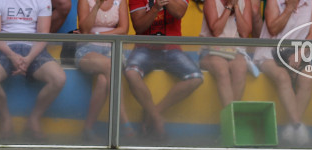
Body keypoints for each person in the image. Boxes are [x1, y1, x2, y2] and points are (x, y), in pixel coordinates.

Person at [0, 0, 67, 140]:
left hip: (33, 48)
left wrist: (28, 59)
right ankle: (6, 119)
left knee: (58, 78)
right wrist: (12, 55)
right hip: (4, 47)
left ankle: (33, 120)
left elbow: (43, 34)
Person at [124, 0, 204, 140]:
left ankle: (153, 114)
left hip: (171, 47)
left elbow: (179, 12)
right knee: (131, 72)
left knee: (196, 77)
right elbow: (139, 27)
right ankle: (157, 118)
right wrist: (155, 8)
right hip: (144, 47)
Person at [251, 0, 312, 145]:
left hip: (296, 54)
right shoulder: (274, 2)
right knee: (282, 77)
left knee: (307, 77)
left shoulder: (311, 4)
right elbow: (273, 29)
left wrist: (299, 54)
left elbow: (311, 34)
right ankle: (297, 126)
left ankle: (291, 128)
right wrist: (289, 8)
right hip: (269, 53)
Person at [75, 0, 135, 140]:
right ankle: (123, 119)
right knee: (111, 65)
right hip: (87, 49)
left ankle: (87, 128)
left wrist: (98, 35)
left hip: (112, 48)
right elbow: (85, 30)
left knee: (103, 81)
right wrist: (96, 5)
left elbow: (123, 30)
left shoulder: (120, 1)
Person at [199, 0, 253, 108]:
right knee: (222, 70)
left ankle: (231, 114)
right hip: (211, 50)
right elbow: (216, 31)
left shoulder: (245, 1)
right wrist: (229, 6)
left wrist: (236, 7)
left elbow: (245, 33)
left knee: (240, 68)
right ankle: (231, 115)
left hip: (235, 51)